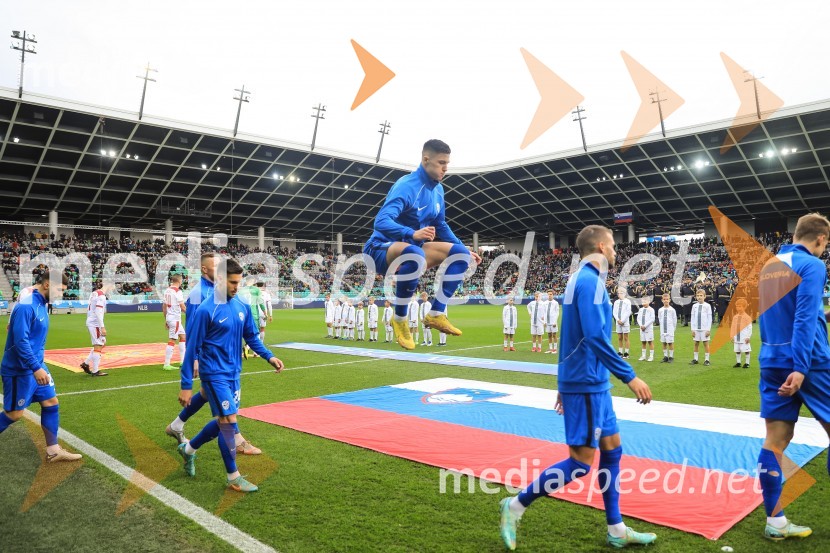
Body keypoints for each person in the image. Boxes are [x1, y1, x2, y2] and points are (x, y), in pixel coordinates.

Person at [499, 225, 655, 550]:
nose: (616, 251)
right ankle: (514, 506)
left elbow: (569, 337)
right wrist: (630, 376)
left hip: (590, 382)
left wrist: (561, 382)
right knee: (581, 463)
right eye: (612, 245)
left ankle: (616, 529)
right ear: (600, 245)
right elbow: (595, 337)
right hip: (586, 383)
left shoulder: (578, 280)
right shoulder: (589, 283)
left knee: (612, 450)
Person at [177, 258, 284, 493]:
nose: (236, 287)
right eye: (232, 282)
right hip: (213, 373)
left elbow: (252, 337)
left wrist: (269, 356)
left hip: (234, 373)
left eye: (239, 282)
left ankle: (188, 450)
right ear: (221, 279)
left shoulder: (241, 306)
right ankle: (233, 477)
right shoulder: (206, 309)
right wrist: (186, 384)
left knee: (222, 421)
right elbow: (192, 347)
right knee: (229, 423)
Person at [362, 139, 481, 350]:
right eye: (441, 162)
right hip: (379, 250)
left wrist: (463, 246)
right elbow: (381, 221)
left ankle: (435, 314)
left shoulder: (438, 190)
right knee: (415, 254)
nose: (446, 168)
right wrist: (412, 233)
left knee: (461, 255)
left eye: (448, 163)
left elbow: (439, 223)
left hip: (411, 248)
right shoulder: (406, 186)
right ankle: (399, 319)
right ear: (426, 160)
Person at [756, 213, 830, 541]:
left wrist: (824, 315)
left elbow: (787, 313)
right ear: (820, 239)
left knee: (775, 441)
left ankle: (776, 522)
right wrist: (800, 367)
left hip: (772, 359)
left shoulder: (768, 265)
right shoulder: (813, 266)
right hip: (809, 363)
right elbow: (801, 318)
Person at [165, 253, 261, 456]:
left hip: (222, 360)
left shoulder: (217, 290)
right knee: (223, 404)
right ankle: (234, 438)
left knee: (208, 394)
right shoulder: (199, 293)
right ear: (205, 270)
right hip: (211, 360)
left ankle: (177, 425)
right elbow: (193, 330)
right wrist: (196, 359)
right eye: (215, 266)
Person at [0, 271, 81, 462]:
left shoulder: (42, 305)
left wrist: (38, 366)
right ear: (46, 285)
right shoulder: (26, 306)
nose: (61, 295)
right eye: (60, 290)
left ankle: (53, 450)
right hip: (20, 370)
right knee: (14, 414)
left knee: (51, 403)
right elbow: (20, 342)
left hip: (36, 366)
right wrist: (36, 368)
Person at [80, 284, 109, 376]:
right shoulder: (101, 296)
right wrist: (102, 326)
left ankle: (86, 363)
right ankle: (95, 371)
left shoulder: (94, 293)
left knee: (102, 343)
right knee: (99, 344)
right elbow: (98, 311)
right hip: (95, 323)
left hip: (92, 321)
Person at [162, 274, 187, 371]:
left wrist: (166, 319)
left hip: (170, 317)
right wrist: (191, 314)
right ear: (179, 281)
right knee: (172, 339)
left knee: (183, 336)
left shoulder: (167, 290)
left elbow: (164, 306)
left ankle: (183, 361)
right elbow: (182, 306)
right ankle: (166, 364)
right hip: (175, 318)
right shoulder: (178, 291)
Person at [690, 289, 712, 366]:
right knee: (696, 343)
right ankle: (695, 359)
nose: (699, 297)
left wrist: (708, 330)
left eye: (701, 296)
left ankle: (707, 360)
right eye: (698, 296)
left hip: (704, 328)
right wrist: (692, 329)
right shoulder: (694, 306)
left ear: (704, 296)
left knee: (706, 343)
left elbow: (709, 318)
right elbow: (692, 318)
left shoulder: (707, 306)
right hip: (696, 328)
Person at [731, 298, 752, 369]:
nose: (738, 308)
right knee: (737, 350)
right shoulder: (735, 317)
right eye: (737, 306)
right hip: (737, 336)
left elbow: (749, 328)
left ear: (744, 307)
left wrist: (748, 337)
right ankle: (738, 362)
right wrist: (732, 336)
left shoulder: (747, 317)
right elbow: (733, 327)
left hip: (744, 337)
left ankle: (747, 363)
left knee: (746, 350)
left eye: (740, 306)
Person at [657, 293, 677, 363]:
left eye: (667, 299)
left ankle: (671, 356)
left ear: (669, 300)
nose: (666, 301)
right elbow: (659, 319)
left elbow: (674, 320)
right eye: (664, 299)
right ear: (662, 300)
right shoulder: (660, 310)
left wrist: (673, 328)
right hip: (663, 329)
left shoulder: (672, 310)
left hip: (670, 329)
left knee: (670, 343)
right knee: (664, 342)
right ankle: (665, 356)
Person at [613, 288, 632, 358]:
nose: (619, 294)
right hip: (618, 322)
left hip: (625, 322)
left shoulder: (627, 301)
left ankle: (626, 353)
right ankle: (620, 352)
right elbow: (614, 312)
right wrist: (618, 320)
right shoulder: (616, 302)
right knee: (620, 337)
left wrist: (622, 320)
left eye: (621, 293)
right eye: (618, 293)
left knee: (626, 337)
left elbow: (628, 312)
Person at [636, 296, 655, 362]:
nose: (644, 303)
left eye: (645, 301)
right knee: (643, 342)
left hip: (648, 328)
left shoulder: (651, 309)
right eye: (643, 302)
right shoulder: (641, 310)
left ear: (649, 302)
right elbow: (638, 318)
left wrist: (645, 325)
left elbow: (652, 319)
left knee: (650, 342)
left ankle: (651, 356)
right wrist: (641, 325)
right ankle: (643, 355)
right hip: (642, 328)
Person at [257, 281, 273, 347]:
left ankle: (253, 347)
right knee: (262, 328)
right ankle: (260, 345)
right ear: (263, 286)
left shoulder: (254, 293)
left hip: (254, 312)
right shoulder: (266, 294)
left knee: (256, 329)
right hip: (263, 313)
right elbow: (269, 305)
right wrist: (271, 315)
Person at [544, 289, 559, 354]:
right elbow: (544, 312)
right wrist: (544, 321)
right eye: (548, 294)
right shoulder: (545, 303)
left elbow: (557, 312)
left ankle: (555, 349)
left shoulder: (555, 303)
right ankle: (550, 348)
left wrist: (555, 321)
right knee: (549, 334)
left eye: (551, 294)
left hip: (553, 321)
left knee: (554, 334)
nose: (549, 296)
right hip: (547, 321)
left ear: (553, 295)